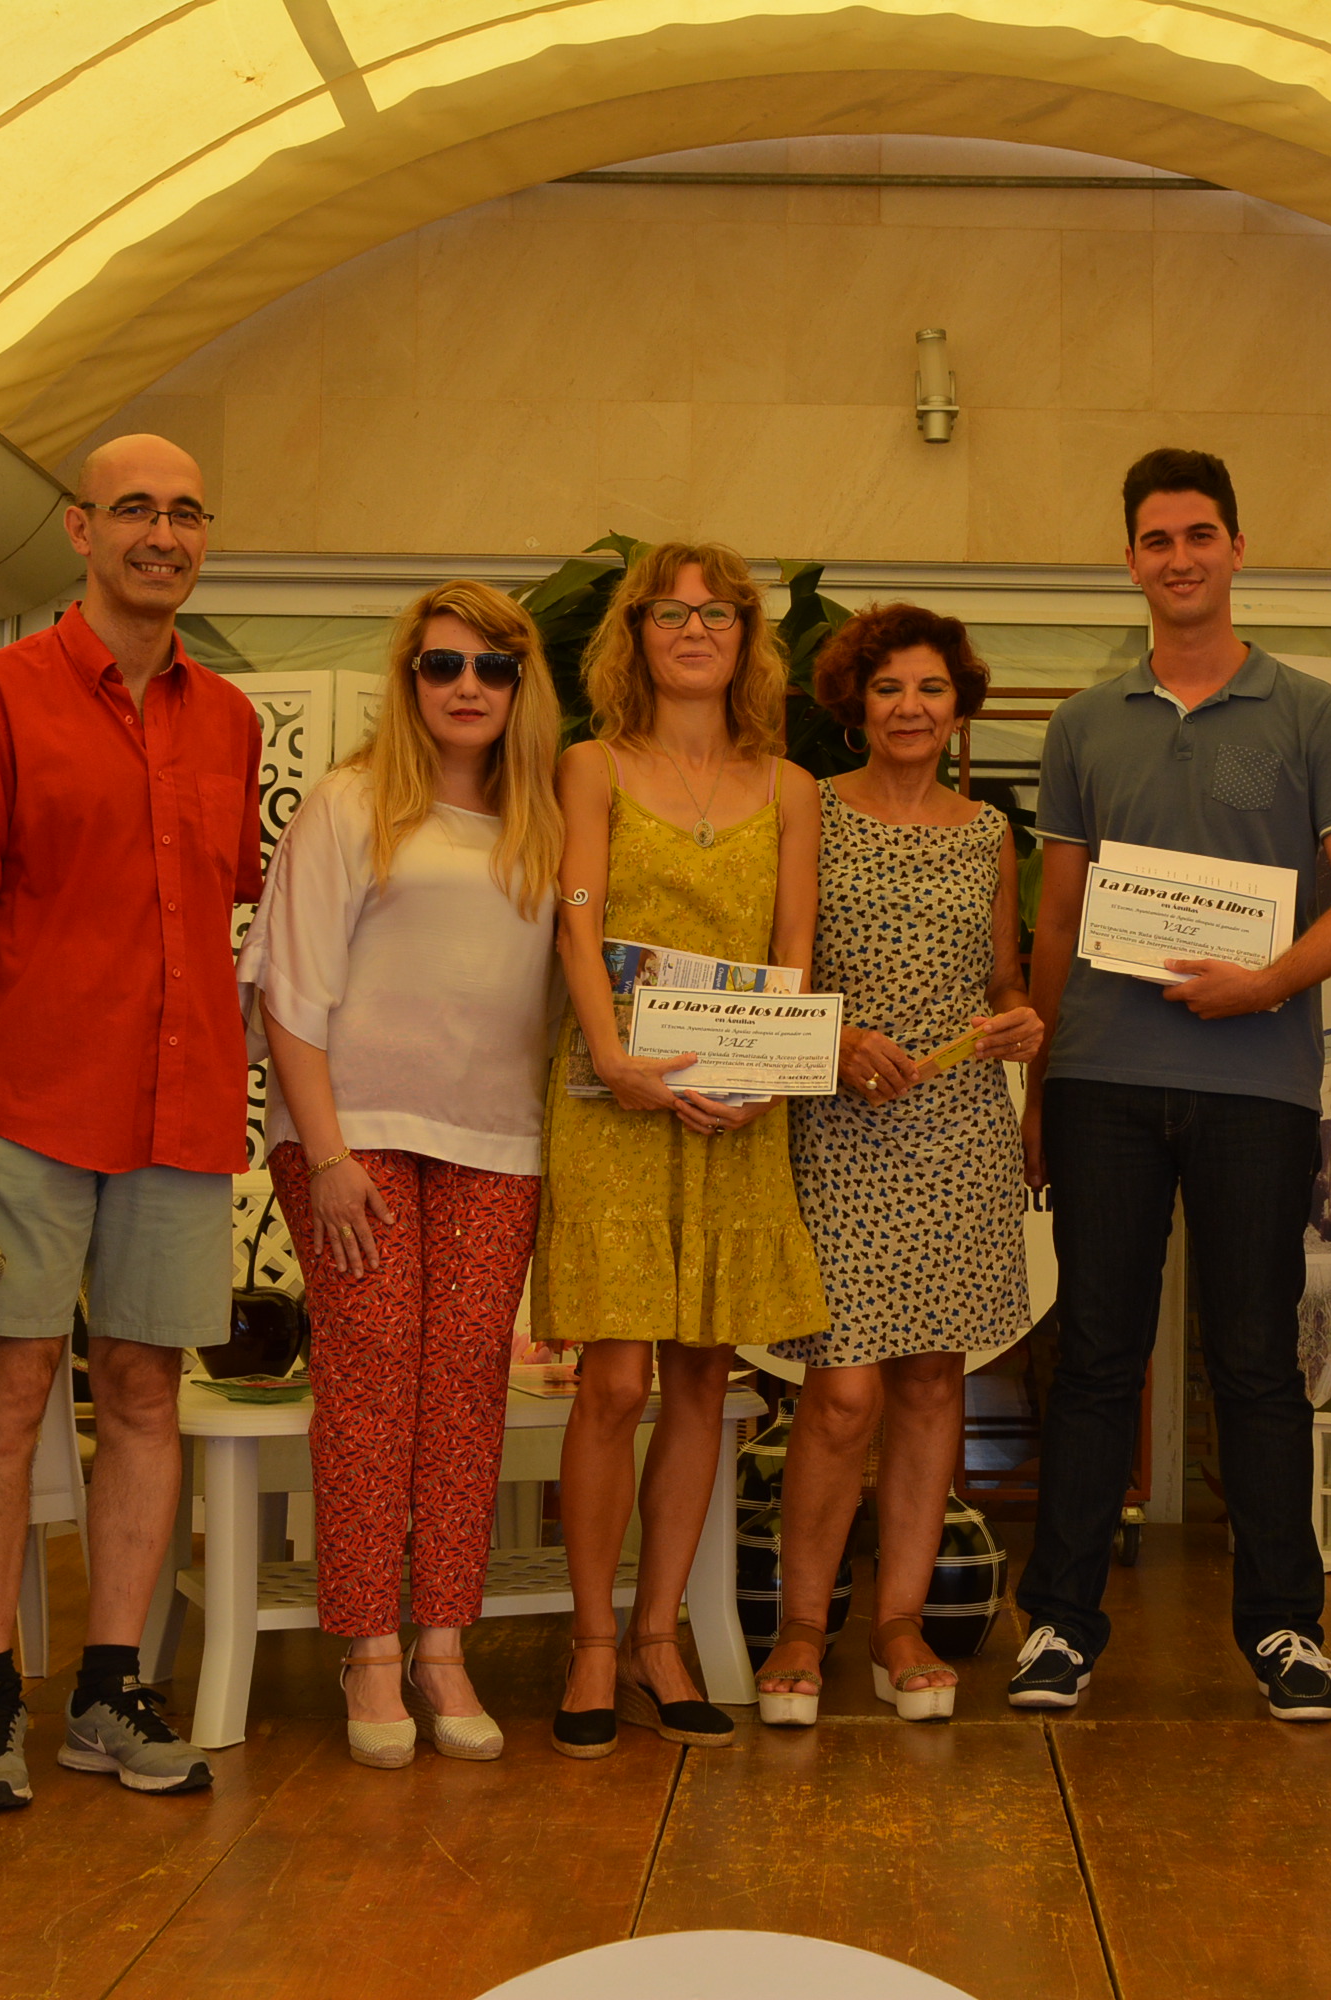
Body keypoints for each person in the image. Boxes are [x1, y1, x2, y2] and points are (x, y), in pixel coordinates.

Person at [1012, 448, 1331, 1721]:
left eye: (1200, 534)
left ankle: (1286, 1627)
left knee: (1253, 1361)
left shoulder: (1307, 713)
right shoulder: (1083, 720)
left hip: (1256, 1083)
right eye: (1155, 538)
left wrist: (1270, 981)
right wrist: (1039, 1087)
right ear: (1129, 559)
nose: (1178, 557)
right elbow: (1057, 910)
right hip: (1102, 1080)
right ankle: (1059, 1626)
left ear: (1237, 548)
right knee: (1095, 1360)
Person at [0, 434, 262, 1812]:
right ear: (80, 530)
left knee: (144, 1393)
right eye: (134, 510)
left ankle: (110, 1690)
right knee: (3, 1397)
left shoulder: (228, 721)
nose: (161, 533)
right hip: (32, 1112)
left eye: (185, 510)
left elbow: (232, 900)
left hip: (179, 1114)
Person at [244, 580, 563, 1768]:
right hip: (354, 1134)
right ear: (409, 678)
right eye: (443, 665)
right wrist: (322, 1152)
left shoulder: (545, 826)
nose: (467, 686)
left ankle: (442, 1642)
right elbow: (289, 988)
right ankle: (369, 1647)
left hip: (496, 1142)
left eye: (492, 667)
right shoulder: (346, 806)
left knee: (468, 1388)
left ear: (520, 686)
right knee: (374, 1381)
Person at [533, 541, 829, 1756]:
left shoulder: (792, 786)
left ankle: (661, 1636)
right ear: (636, 633)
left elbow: (794, 950)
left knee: (704, 1376)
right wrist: (610, 1055)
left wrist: (757, 1076)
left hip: (737, 1108)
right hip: (611, 1095)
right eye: (671, 610)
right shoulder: (589, 765)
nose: (694, 627)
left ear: (749, 635)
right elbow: (574, 914)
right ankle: (592, 1639)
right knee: (612, 1378)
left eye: (718, 611)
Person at [755, 606, 1043, 1729]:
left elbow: (1005, 982)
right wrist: (828, 1041)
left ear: (958, 705)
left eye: (931, 689)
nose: (912, 707)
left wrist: (1019, 1024)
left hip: (957, 1125)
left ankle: (898, 1622)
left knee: (933, 1382)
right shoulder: (805, 811)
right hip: (838, 1126)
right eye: (890, 689)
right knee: (838, 1395)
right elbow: (777, 964)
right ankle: (798, 1625)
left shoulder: (988, 835)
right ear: (855, 705)